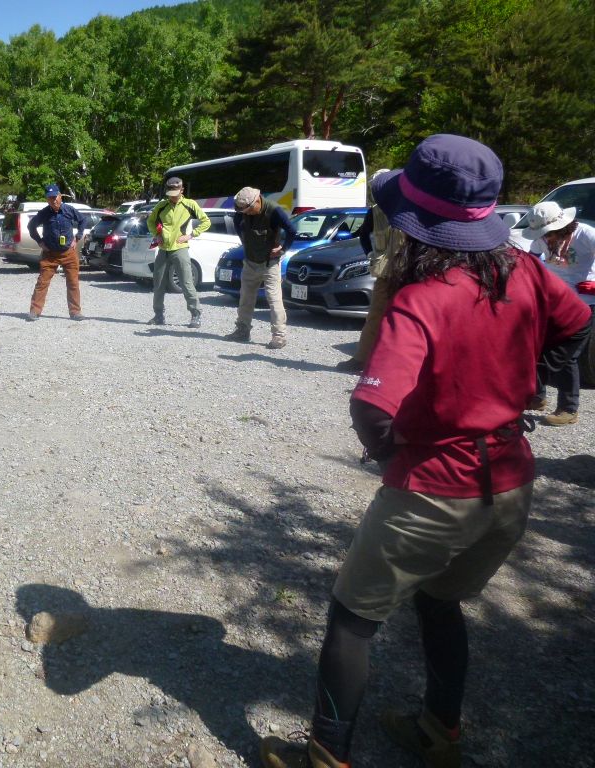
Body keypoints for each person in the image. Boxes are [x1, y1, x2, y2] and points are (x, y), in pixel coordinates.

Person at [260, 134, 592, 768]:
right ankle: (441, 732)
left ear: (418, 224)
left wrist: (392, 457)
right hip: (512, 484)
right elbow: (578, 321)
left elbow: (371, 405)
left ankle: (325, 757)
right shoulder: (524, 269)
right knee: (440, 601)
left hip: (436, 487)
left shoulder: (421, 297)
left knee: (352, 619)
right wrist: (532, 379)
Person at [521, 201, 595, 426]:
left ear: (563, 226)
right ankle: (537, 396)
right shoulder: (540, 238)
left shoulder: (587, 234)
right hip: (552, 299)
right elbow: (532, 261)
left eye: (549, 233)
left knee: (567, 355)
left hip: (583, 303)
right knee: (536, 346)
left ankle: (568, 409)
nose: (545, 238)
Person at [336, 169, 404, 372]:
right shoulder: (374, 211)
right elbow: (364, 236)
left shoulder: (410, 208)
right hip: (384, 273)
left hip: (409, 274)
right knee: (375, 316)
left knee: (406, 319)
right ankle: (361, 358)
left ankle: (400, 364)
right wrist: (370, 254)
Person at [224, 186, 296, 347]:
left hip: (269, 264)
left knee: (274, 299)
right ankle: (242, 330)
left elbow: (292, 230)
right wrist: (245, 242)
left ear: (257, 200)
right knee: (245, 298)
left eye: (248, 210)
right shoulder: (242, 212)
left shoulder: (274, 210)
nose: (246, 213)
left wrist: (283, 249)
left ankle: (279, 336)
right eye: (243, 211)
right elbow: (237, 224)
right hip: (250, 262)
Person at [146, 177, 210, 328]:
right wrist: (156, 235)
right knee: (158, 284)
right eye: (170, 193)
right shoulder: (162, 205)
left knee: (187, 283)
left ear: (182, 190)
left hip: (180, 249)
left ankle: (196, 315)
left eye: (175, 192)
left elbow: (206, 221)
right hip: (163, 249)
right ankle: (158, 315)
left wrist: (191, 235)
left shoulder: (190, 204)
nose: (172, 196)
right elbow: (150, 221)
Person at [27, 184, 86, 321]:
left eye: (55, 197)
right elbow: (31, 226)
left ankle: (75, 312)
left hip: (68, 253)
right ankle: (34, 311)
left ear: (60, 196)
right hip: (50, 254)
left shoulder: (69, 210)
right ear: (47, 200)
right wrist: (40, 241)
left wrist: (77, 238)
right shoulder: (44, 213)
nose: (54, 200)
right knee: (42, 282)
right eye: (50, 198)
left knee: (73, 282)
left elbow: (83, 220)